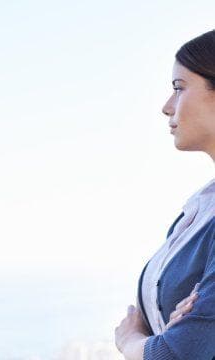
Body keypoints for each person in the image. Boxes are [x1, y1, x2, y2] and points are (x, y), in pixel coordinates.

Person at [114, 29, 215, 360]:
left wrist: (130, 341)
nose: (166, 106)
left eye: (179, 88)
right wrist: (172, 334)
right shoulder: (200, 207)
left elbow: (177, 352)